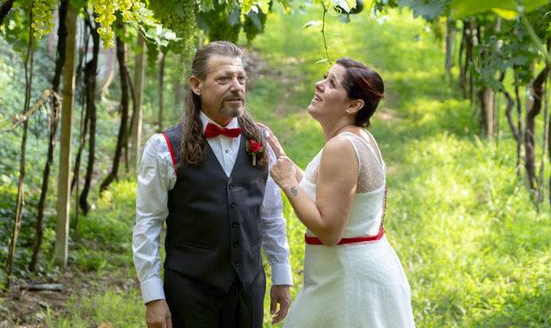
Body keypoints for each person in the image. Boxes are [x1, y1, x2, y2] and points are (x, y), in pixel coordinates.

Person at [132, 41, 293, 328]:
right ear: (197, 85)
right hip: (190, 292)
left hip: (249, 287)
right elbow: (148, 224)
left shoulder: (262, 141)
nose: (236, 86)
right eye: (224, 78)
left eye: (241, 78)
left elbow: (271, 216)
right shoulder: (164, 147)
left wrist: (281, 274)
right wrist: (153, 297)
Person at [266, 57, 415, 327]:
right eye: (324, 77)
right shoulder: (358, 136)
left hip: (349, 282)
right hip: (356, 271)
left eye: (331, 82)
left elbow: (329, 230)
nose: (319, 84)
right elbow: (324, 189)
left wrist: (288, 184)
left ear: (353, 105)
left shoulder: (341, 147)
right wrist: (282, 158)